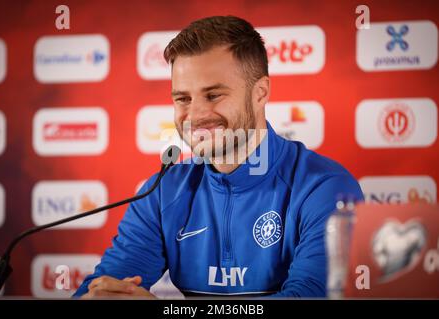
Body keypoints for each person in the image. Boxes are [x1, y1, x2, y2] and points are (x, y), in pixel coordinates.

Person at [73, 15, 363, 298]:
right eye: (183, 99)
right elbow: (106, 285)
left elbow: (310, 296)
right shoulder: (162, 192)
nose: (196, 115)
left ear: (260, 93)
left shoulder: (326, 187)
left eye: (213, 95)